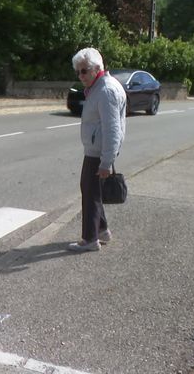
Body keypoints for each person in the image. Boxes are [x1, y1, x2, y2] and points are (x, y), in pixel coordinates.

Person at [68, 48, 126, 252]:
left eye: (84, 71)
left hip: (99, 151)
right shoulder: (100, 87)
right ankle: (102, 230)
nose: (80, 76)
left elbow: (113, 130)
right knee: (91, 190)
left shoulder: (106, 90)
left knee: (90, 193)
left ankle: (90, 239)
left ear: (97, 69)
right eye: (78, 72)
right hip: (97, 149)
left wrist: (106, 162)